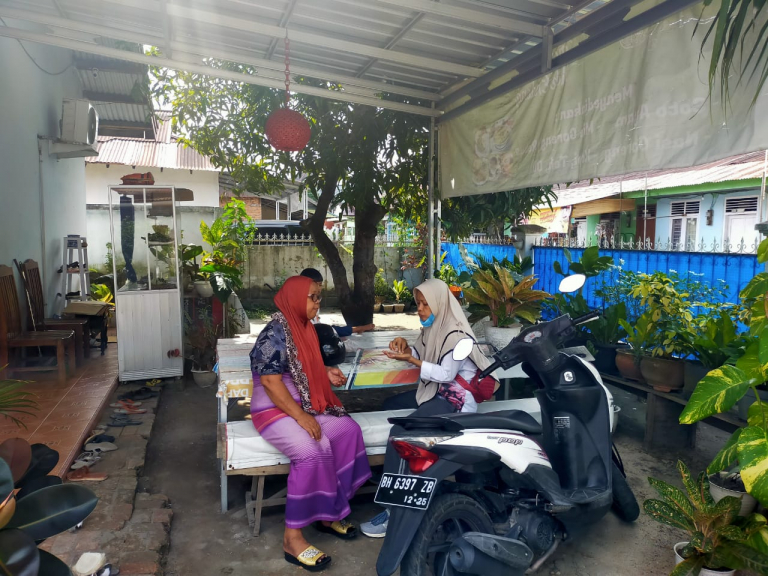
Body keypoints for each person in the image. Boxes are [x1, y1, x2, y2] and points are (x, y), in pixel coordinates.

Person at [250, 275, 372, 571]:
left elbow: (304, 366)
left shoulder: (303, 327)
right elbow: (271, 382)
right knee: (312, 449)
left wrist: (326, 372)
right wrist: (302, 417)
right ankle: (292, 538)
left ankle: (329, 513)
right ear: (295, 298)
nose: (318, 303)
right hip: (273, 409)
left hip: (302, 404)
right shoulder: (273, 333)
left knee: (347, 431)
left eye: (319, 297)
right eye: (313, 297)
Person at [360, 278, 496, 538]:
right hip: (436, 394)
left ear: (440, 304)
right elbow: (421, 352)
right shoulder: (433, 328)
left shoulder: (458, 336)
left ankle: (394, 511)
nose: (420, 309)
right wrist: (404, 345)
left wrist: (412, 360)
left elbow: (446, 374)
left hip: (455, 402)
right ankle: (390, 475)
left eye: (425, 304)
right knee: (390, 405)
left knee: (400, 433)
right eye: (418, 303)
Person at [299, 268, 375, 336]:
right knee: (329, 331)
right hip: (312, 333)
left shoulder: (316, 299)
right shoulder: (301, 304)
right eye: (316, 285)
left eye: (320, 285)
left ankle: (354, 329)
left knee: (330, 329)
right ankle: (356, 329)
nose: (318, 288)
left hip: (316, 330)